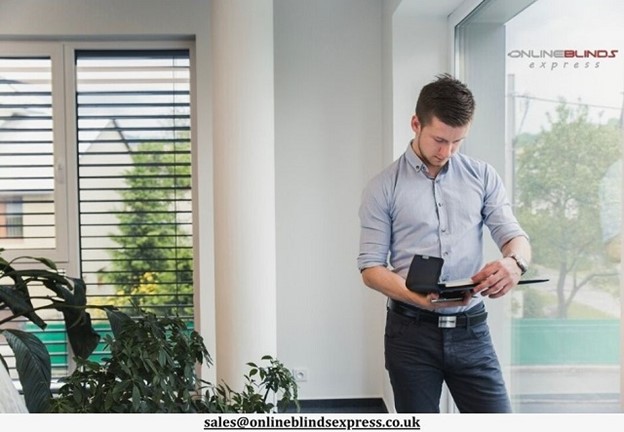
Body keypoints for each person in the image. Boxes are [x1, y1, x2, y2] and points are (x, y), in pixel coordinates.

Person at [357, 74, 531, 413]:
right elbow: (370, 267)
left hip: (472, 332)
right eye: (439, 140)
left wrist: (514, 264)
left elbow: (515, 237)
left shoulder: (482, 176)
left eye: (457, 142)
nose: (446, 151)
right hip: (410, 336)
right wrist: (414, 296)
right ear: (415, 124)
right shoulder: (382, 188)